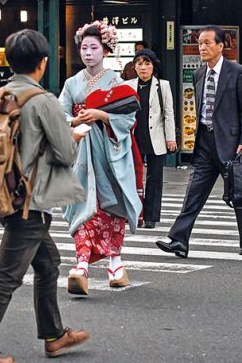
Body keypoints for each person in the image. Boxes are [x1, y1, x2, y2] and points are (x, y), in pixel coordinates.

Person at [0, 29, 90, 363]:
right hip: (29, 201)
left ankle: (54, 335)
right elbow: (64, 154)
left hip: (3, 193)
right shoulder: (42, 99)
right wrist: (74, 134)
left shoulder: (1, 94)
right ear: (43, 62)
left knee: (48, 263)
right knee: (6, 277)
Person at [156, 25, 242, 258]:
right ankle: (179, 240)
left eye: (207, 43)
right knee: (194, 192)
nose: (202, 47)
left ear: (221, 46)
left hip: (233, 144)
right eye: (200, 43)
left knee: (240, 192)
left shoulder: (238, 72)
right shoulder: (199, 74)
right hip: (204, 143)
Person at [59, 20, 142, 295]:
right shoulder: (72, 83)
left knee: (112, 203)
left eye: (93, 47)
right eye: (84, 47)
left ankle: (115, 263)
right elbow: (60, 113)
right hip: (82, 148)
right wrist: (73, 120)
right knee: (83, 204)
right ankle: (81, 263)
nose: (88, 53)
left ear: (105, 50)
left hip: (110, 150)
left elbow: (128, 117)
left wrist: (101, 115)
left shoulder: (116, 82)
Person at [125, 48, 177, 229]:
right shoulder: (128, 85)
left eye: (147, 63)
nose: (143, 67)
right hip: (134, 137)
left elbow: (169, 114)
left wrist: (171, 138)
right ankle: (133, 213)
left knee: (155, 179)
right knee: (131, 176)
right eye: (139, 63)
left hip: (156, 138)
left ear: (153, 67)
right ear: (134, 67)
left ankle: (151, 217)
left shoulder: (163, 86)